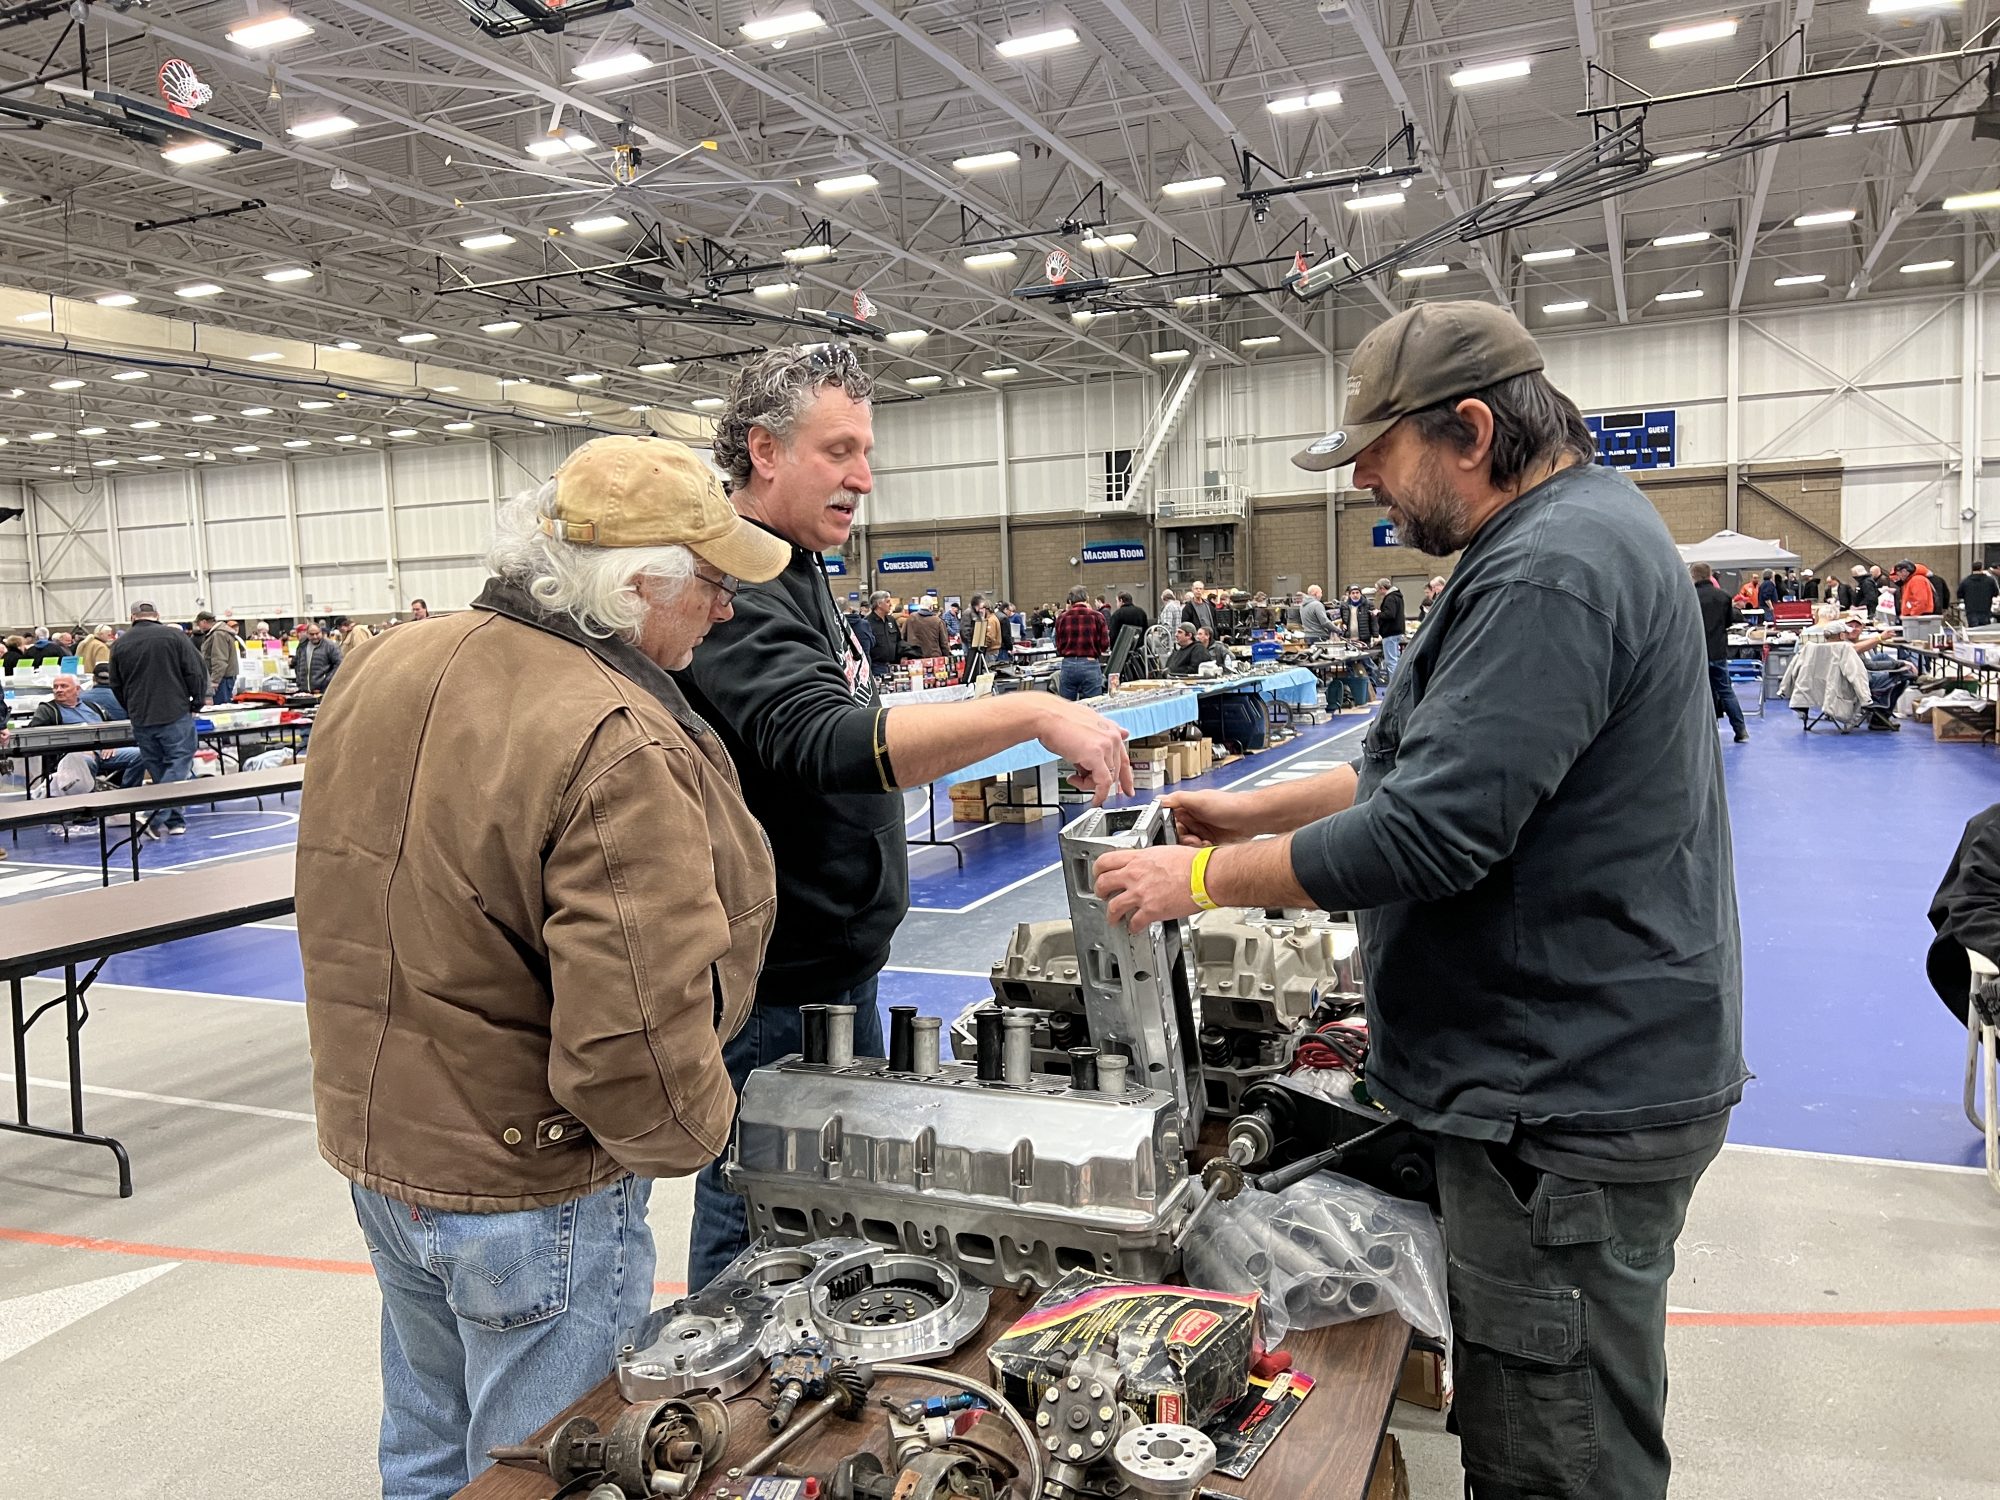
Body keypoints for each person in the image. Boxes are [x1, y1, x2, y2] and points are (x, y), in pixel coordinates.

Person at [1090, 301, 1741, 1500]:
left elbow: (1432, 833)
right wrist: (1255, 810)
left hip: (1562, 1101)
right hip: (1564, 1073)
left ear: (1472, 431)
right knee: (1543, 1407)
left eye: (1380, 463)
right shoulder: (1559, 539)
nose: (1371, 497)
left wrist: (1194, 880)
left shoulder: (1549, 568)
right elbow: (1432, 767)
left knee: (1558, 1453)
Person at [297, 436, 784, 1500]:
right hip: (529, 1177)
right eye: (708, 584)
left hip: (387, 1149)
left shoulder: (388, 658)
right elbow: (632, 1035)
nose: (725, 611)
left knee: (428, 1448)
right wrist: (692, 1135)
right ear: (635, 584)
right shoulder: (613, 735)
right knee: (540, 1469)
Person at [675, 347, 1131, 1291]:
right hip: (776, 989)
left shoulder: (799, 571)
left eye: (867, 452)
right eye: (839, 450)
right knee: (760, 1227)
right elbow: (824, 741)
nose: (863, 478)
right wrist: (1028, 711)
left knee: (832, 1213)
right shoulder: (742, 591)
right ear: (764, 450)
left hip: (832, 968)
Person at [106, 602, 206, 838]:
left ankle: (174, 822)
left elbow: (115, 684)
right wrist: (197, 702)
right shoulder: (175, 636)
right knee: (180, 761)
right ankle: (154, 815)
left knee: (159, 767)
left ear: (132, 617)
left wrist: (131, 708)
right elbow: (195, 671)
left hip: (141, 717)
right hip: (174, 712)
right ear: (157, 616)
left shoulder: (119, 644)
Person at [25, 673, 144, 789]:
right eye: (55, 687)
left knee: (141, 754)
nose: (58, 690)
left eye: (64, 686)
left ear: (77, 689)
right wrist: (77, 750)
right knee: (86, 762)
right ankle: (90, 799)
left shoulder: (93, 707)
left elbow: (112, 727)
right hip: (72, 756)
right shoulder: (47, 710)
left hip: (103, 752)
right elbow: (35, 734)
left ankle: (128, 793)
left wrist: (111, 744)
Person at [1692, 562, 1748, 743]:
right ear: (1709, 575)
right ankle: (1741, 730)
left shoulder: (1690, 596)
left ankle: (1701, 734)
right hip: (1718, 651)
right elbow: (1728, 622)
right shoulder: (1724, 596)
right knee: (1726, 691)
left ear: (1693, 575)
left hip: (1697, 653)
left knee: (1697, 693)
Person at [1053, 584, 1111, 699]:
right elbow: (1105, 644)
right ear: (1087, 599)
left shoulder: (1062, 618)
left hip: (1068, 665)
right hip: (1090, 664)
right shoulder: (1097, 616)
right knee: (1094, 706)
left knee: (1067, 708)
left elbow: (1058, 645)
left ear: (1070, 601)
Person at [196, 611, 241, 705]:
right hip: (224, 677)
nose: (198, 627)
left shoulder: (218, 634)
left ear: (204, 622)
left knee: (221, 710)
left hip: (222, 679)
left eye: (198, 623)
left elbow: (219, 659)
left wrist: (214, 681)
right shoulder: (220, 633)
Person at [293, 621, 343, 694]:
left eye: (317, 633)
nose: (315, 636)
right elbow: (297, 664)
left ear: (321, 632)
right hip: (304, 692)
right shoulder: (302, 646)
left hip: (323, 691)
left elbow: (339, 665)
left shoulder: (330, 646)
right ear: (307, 634)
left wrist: (326, 682)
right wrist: (299, 682)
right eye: (312, 634)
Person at [1107, 590, 1148, 677]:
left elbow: (1113, 634)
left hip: (1122, 653)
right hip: (1139, 653)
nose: (1117, 604)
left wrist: (1113, 649)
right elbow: (1146, 631)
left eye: (1117, 601)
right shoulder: (1141, 612)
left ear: (1121, 600)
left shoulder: (1117, 614)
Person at [1375, 578, 1407, 675]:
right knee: (1396, 659)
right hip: (1397, 632)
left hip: (1390, 633)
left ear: (1382, 588)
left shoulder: (1390, 598)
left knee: (1391, 662)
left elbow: (1390, 614)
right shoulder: (1398, 597)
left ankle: (1394, 687)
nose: (1378, 593)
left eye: (1378, 590)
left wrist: (1378, 613)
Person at [864, 591, 901, 671]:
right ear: (879, 604)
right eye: (887, 602)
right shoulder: (867, 623)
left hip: (893, 665)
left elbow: (898, 640)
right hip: (876, 667)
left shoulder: (891, 620)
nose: (891, 605)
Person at [1959, 561, 1998, 627]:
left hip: (1971, 610)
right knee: (1984, 631)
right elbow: (1995, 593)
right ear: (1981, 568)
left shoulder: (1965, 581)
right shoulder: (1990, 581)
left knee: (1973, 630)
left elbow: (1959, 594)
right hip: (1985, 610)